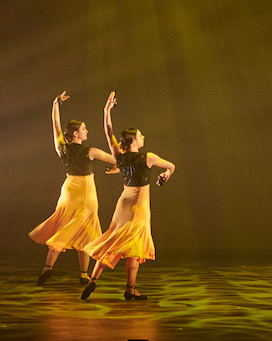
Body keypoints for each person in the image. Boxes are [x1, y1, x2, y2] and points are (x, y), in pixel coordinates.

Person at [81, 92, 176, 301]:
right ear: (133, 140)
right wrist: (166, 175)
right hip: (139, 207)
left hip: (123, 204)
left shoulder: (119, 156)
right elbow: (171, 165)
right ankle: (129, 288)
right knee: (135, 246)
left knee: (114, 240)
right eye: (140, 136)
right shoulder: (148, 157)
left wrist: (106, 111)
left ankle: (94, 280)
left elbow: (108, 132)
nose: (143, 138)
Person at [30, 92, 117, 286]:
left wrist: (55, 104)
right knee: (85, 230)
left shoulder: (62, 147)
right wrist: (115, 168)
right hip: (86, 193)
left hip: (68, 190)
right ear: (76, 133)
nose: (87, 131)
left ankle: (48, 268)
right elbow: (117, 159)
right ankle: (83, 274)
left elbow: (55, 125)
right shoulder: (91, 151)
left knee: (64, 226)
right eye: (84, 129)